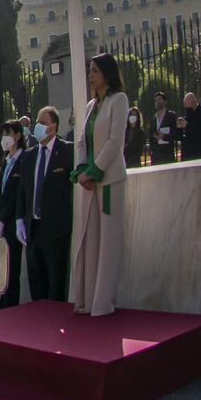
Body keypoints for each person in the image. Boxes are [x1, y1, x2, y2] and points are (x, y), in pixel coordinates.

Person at [72, 54, 130, 317]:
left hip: (110, 181)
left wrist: (95, 170)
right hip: (90, 184)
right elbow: (83, 142)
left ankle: (102, 304)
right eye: (89, 70)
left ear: (107, 73)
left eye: (95, 70)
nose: (90, 74)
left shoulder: (119, 100)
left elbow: (115, 141)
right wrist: (82, 169)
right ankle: (86, 300)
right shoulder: (90, 106)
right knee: (90, 239)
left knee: (108, 243)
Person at [17, 106, 74, 303]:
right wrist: (19, 220)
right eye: (37, 122)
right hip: (33, 229)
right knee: (36, 281)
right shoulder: (30, 155)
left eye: (42, 123)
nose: (38, 126)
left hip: (56, 230)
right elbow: (23, 190)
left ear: (53, 127)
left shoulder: (67, 151)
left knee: (56, 283)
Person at [0, 118, 30, 310]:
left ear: (18, 136)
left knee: (11, 271)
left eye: (8, 134)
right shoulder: (6, 160)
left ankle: (10, 310)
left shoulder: (24, 159)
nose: (4, 138)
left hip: (13, 223)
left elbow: (16, 194)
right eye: (3, 134)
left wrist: (4, 219)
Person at [177, 91, 201, 161]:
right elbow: (181, 137)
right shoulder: (188, 115)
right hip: (186, 154)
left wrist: (187, 125)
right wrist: (179, 128)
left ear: (193, 103)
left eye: (187, 105)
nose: (185, 108)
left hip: (197, 153)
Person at [149, 90, 177, 164]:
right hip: (156, 157)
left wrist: (163, 136)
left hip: (167, 155)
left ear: (165, 101)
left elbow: (175, 135)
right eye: (156, 100)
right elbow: (151, 138)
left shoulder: (171, 116)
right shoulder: (153, 118)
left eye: (159, 99)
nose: (157, 102)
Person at [123, 105, 147, 171]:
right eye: (131, 115)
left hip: (135, 163)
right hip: (124, 162)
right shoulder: (124, 131)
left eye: (134, 115)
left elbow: (140, 150)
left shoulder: (140, 132)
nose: (132, 117)